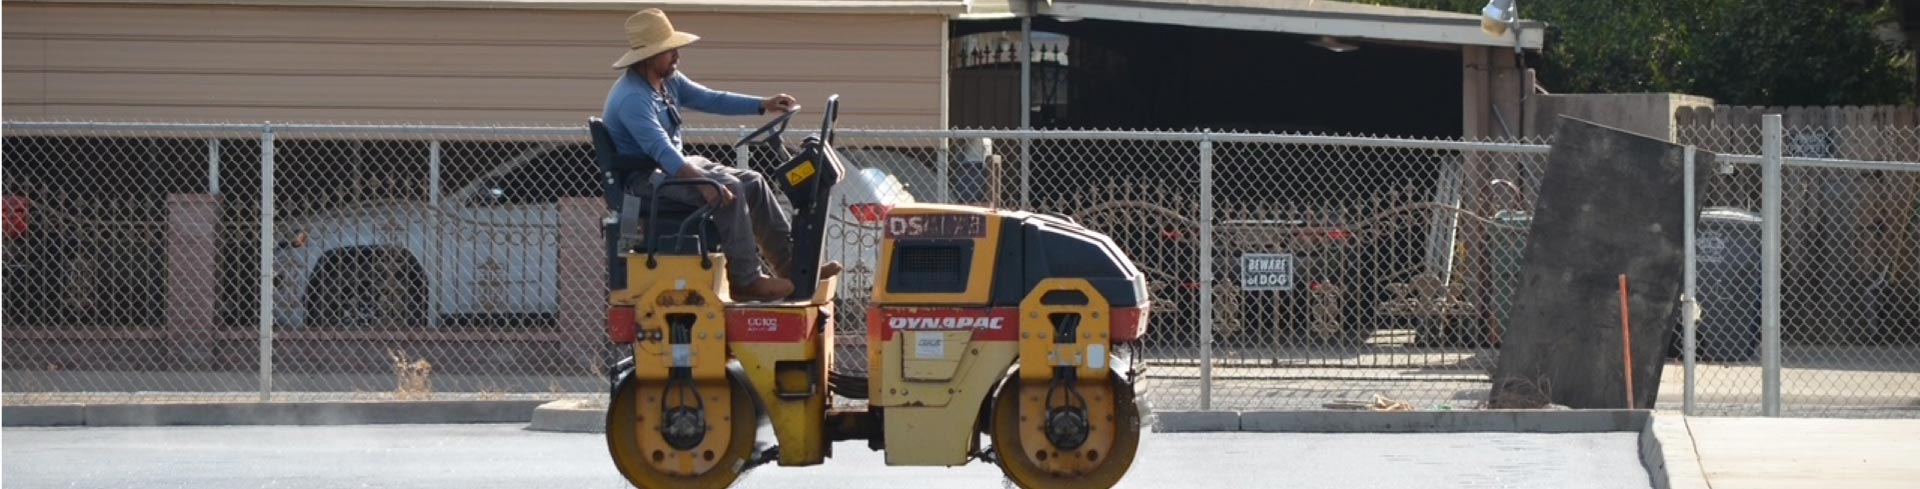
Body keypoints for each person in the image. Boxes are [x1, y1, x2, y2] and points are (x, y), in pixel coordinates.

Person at [603, 8, 838, 302]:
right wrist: (703, 183)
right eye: (669, 51)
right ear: (650, 57)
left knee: (752, 180)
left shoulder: (668, 81)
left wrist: (763, 104)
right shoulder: (632, 98)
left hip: (670, 168)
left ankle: (791, 267)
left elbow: (710, 98)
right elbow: (661, 150)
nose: (677, 56)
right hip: (645, 180)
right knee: (728, 189)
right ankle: (746, 281)